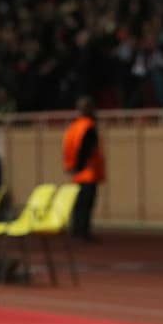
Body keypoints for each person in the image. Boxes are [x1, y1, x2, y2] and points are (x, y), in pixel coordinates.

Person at [62, 96, 104, 241]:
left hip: (78, 171)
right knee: (86, 203)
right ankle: (83, 231)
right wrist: (81, 165)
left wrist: (73, 166)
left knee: (79, 203)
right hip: (88, 171)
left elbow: (70, 148)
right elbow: (86, 149)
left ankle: (77, 230)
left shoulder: (74, 126)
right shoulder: (88, 127)